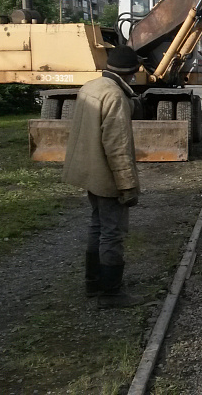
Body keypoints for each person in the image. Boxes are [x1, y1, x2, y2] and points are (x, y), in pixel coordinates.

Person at [62, 45, 142, 309]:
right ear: (132, 72)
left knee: (97, 225)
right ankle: (110, 293)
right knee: (112, 232)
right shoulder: (115, 96)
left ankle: (93, 282)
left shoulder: (91, 87)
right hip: (106, 176)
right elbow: (117, 147)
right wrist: (128, 185)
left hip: (89, 172)